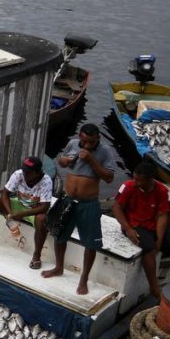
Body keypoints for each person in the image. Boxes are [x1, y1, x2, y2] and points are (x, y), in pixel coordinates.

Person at [42, 123, 116, 295]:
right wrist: (65, 161)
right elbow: (62, 161)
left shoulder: (105, 151)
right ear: (80, 137)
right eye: (84, 141)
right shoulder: (73, 144)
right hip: (68, 200)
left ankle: (84, 279)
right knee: (60, 236)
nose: (87, 145)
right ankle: (58, 267)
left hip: (88, 204)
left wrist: (91, 159)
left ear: (98, 138)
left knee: (90, 243)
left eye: (91, 142)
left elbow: (109, 178)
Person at [113, 161, 170, 299]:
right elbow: (116, 208)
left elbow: (162, 215)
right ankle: (154, 287)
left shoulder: (163, 191)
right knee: (149, 248)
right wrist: (128, 229)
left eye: (139, 180)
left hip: (152, 225)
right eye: (134, 178)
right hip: (135, 225)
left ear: (149, 179)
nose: (135, 182)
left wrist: (159, 239)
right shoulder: (128, 187)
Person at [0, 156, 53, 269]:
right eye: (24, 171)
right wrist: (10, 213)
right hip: (19, 205)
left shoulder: (46, 181)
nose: (24, 174)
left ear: (37, 173)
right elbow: (5, 193)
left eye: (28, 173)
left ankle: (37, 255)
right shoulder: (19, 174)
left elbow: (45, 207)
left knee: (42, 219)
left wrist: (23, 214)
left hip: (34, 210)